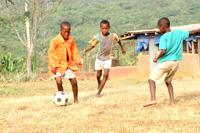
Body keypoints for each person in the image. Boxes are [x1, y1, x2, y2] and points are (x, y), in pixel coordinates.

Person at [143, 17, 200, 107]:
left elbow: (163, 51)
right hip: (175, 63)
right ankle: (172, 102)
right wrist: (198, 29)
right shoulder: (178, 33)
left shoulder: (163, 37)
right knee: (168, 82)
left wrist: (156, 58)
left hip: (166, 62)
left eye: (158, 28)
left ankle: (153, 99)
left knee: (151, 80)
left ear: (162, 27)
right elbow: (191, 32)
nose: (159, 30)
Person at [82, 20, 126, 97]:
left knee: (105, 75)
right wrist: (85, 50)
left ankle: (98, 92)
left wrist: (122, 48)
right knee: (98, 75)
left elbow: (119, 40)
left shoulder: (113, 36)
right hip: (99, 58)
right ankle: (99, 82)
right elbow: (93, 45)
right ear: (100, 28)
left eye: (106, 28)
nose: (104, 30)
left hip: (108, 58)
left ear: (109, 28)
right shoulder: (98, 37)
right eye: (103, 28)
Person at [48, 21, 82, 103]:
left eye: (68, 32)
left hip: (67, 65)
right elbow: (51, 54)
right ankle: (62, 99)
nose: (67, 33)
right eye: (65, 31)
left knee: (74, 81)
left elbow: (74, 51)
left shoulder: (71, 40)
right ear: (61, 31)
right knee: (59, 81)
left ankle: (76, 100)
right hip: (57, 66)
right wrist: (53, 66)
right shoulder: (55, 40)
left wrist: (77, 60)